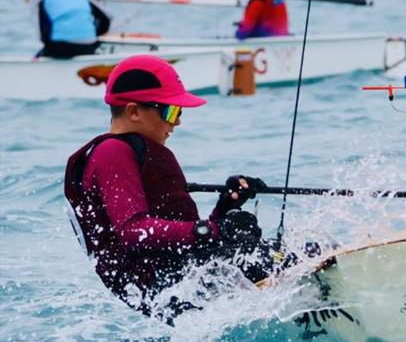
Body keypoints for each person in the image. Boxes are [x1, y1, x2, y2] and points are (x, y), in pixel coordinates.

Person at [64, 55, 291, 324]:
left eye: (179, 113)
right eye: (170, 112)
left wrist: (224, 209)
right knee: (295, 256)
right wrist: (211, 231)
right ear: (134, 111)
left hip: (183, 279)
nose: (177, 122)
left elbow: (178, 243)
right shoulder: (112, 152)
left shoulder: (128, 151)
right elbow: (134, 233)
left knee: (269, 244)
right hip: (169, 291)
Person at [10, 0, 111, 58]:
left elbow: (42, 35)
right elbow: (105, 19)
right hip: (90, 45)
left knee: (37, 57)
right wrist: (91, 37)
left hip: (61, 48)